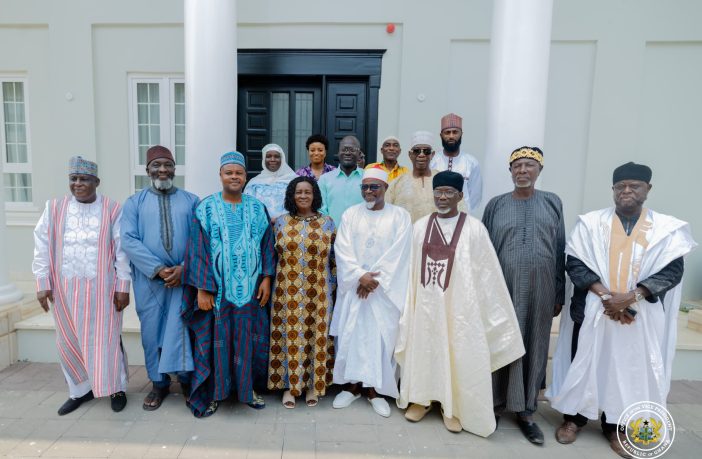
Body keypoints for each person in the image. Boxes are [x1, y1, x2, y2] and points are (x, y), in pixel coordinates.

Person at [547, 162, 696, 458]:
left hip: (637, 314)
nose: (626, 191)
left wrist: (631, 297)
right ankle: (574, 419)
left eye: (634, 186)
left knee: (627, 371)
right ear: (613, 190)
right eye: (620, 186)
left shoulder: (665, 229)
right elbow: (575, 264)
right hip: (593, 310)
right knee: (584, 363)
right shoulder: (590, 224)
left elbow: (672, 270)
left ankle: (615, 425)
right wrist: (606, 297)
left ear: (647, 189)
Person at [396, 171, 524, 435]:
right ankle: (421, 399)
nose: (442, 197)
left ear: (460, 196)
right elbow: (408, 272)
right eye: (438, 192)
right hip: (426, 307)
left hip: (460, 309)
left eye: (448, 193)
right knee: (424, 349)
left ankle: (451, 407)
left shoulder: (474, 229)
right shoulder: (419, 227)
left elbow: (487, 274)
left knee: (457, 353)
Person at [32, 156, 131, 415]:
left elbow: (121, 251)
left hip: (103, 292)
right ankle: (80, 391)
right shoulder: (54, 208)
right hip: (65, 291)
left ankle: (116, 388)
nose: (78, 184)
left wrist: (123, 286)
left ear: (96, 182)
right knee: (68, 342)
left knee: (107, 341)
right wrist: (42, 283)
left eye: (84, 179)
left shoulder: (112, 209)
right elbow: (41, 246)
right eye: (73, 179)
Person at [181, 151, 275, 417]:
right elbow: (197, 250)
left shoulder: (257, 208)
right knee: (215, 344)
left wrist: (267, 278)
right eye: (229, 172)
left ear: (246, 176)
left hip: (250, 292)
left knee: (251, 342)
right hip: (218, 295)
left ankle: (248, 391)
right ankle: (214, 394)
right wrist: (202, 287)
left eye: (239, 173)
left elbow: (267, 245)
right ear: (220, 175)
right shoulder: (206, 208)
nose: (234, 177)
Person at [482, 146, 565, 445]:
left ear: (539, 170)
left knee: (535, 344)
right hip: (502, 289)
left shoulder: (553, 203)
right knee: (499, 340)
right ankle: (492, 404)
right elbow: (484, 251)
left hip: (541, 290)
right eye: (517, 166)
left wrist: (559, 291)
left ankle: (527, 411)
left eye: (529, 165)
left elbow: (559, 249)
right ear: (510, 171)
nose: (522, 171)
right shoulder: (496, 205)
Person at [120, 145, 199, 411]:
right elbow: (128, 240)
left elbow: (201, 240)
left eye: (167, 165)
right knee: (152, 334)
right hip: (150, 282)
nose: (162, 170)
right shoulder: (134, 203)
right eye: (157, 165)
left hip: (183, 280)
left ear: (175, 169)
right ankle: (159, 384)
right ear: (147, 170)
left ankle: (187, 381)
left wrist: (184, 267)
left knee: (184, 331)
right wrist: (157, 268)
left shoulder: (191, 200)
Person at [330, 166, 412, 418]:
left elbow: (401, 253)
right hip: (354, 290)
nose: (368, 191)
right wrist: (359, 276)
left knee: (379, 340)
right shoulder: (350, 215)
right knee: (351, 336)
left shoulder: (400, 216)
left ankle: (375, 390)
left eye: (374, 187)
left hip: (383, 293)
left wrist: (374, 280)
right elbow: (342, 249)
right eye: (365, 187)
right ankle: (351, 387)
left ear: (385, 188)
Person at [268, 176, 336, 409]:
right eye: (299, 192)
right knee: (290, 336)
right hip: (287, 291)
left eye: (308, 192)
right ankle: (289, 386)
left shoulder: (328, 223)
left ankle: (312, 386)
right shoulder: (281, 223)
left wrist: (333, 288)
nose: (303, 196)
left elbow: (335, 260)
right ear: (291, 195)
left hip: (319, 290)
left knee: (315, 335)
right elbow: (271, 255)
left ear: (315, 194)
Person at [388, 130, 465, 222]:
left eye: (426, 151)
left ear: (432, 155)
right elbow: (387, 214)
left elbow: (461, 210)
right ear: (410, 155)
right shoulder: (397, 183)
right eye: (416, 151)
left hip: (439, 234)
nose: (421, 155)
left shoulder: (445, 180)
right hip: (407, 235)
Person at [430, 113, 483, 212]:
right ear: (441, 135)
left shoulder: (471, 162)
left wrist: (467, 214)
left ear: (461, 134)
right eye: (447, 132)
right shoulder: (432, 161)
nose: (451, 136)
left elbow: (475, 196)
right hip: (436, 215)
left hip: (463, 217)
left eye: (455, 132)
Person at [244, 143, 298, 222]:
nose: (272, 159)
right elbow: (247, 206)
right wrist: (267, 220)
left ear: (282, 159)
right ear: (264, 159)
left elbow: (299, 203)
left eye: (276, 156)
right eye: (268, 156)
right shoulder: (254, 183)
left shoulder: (294, 180)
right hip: (261, 226)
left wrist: (281, 220)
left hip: (288, 226)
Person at [318, 135, 364, 224]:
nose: (347, 153)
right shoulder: (325, 179)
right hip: (332, 234)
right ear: (338, 153)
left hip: (361, 234)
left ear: (359, 154)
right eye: (344, 149)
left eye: (352, 150)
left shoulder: (367, 178)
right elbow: (321, 210)